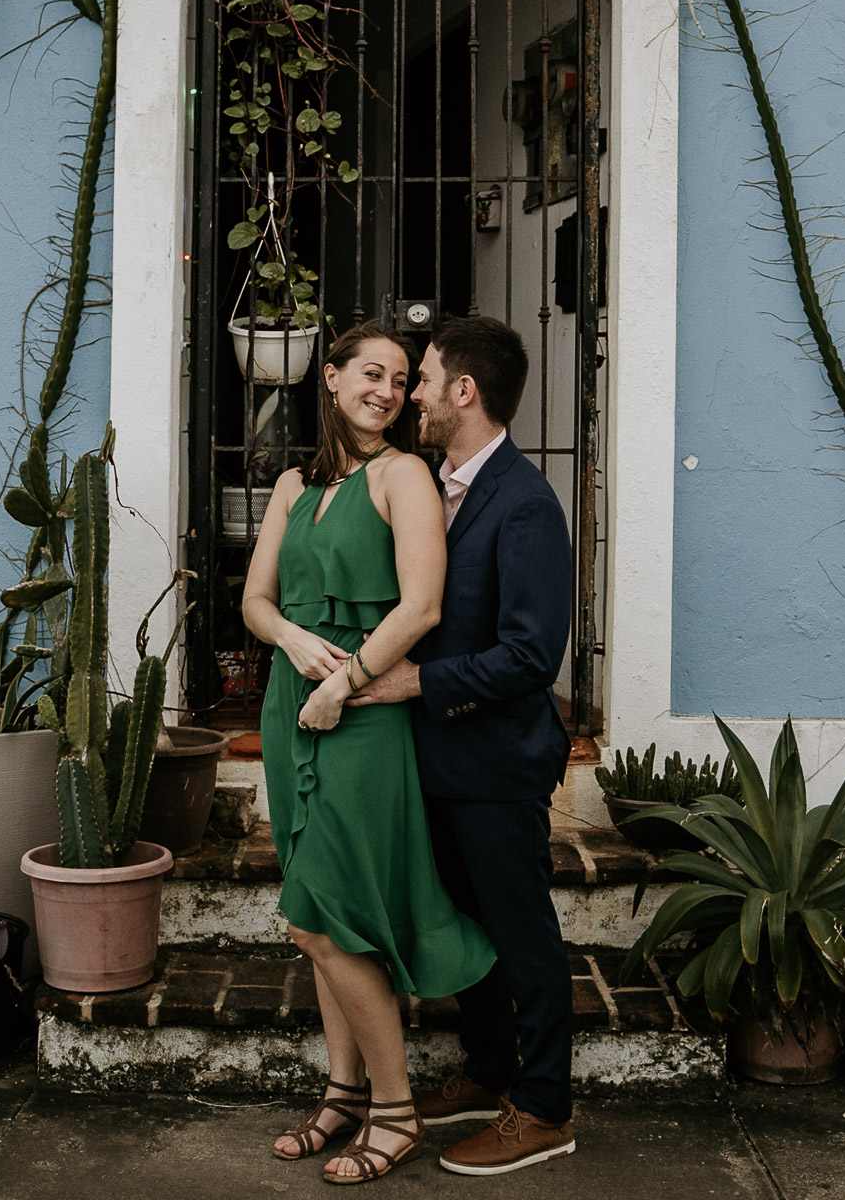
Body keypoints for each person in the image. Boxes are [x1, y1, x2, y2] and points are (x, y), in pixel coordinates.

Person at [242, 322, 496, 1186]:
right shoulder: (289, 485)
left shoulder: (405, 477)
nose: (387, 391)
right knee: (322, 917)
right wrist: (291, 643)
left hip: (360, 711)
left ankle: (395, 1110)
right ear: (332, 376)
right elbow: (256, 601)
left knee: (319, 914)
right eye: (371, 374)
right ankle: (342, 1091)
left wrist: (342, 678)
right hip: (292, 703)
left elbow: (420, 608)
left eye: (399, 379)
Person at [349, 315, 576, 1177]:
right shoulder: (427, 485)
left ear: (464, 392)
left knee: (522, 939)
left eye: (425, 379)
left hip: (496, 764)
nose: (411, 396)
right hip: (434, 760)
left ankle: (546, 1108)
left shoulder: (524, 503)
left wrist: (415, 684)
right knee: (463, 931)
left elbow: (530, 654)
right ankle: (489, 1074)